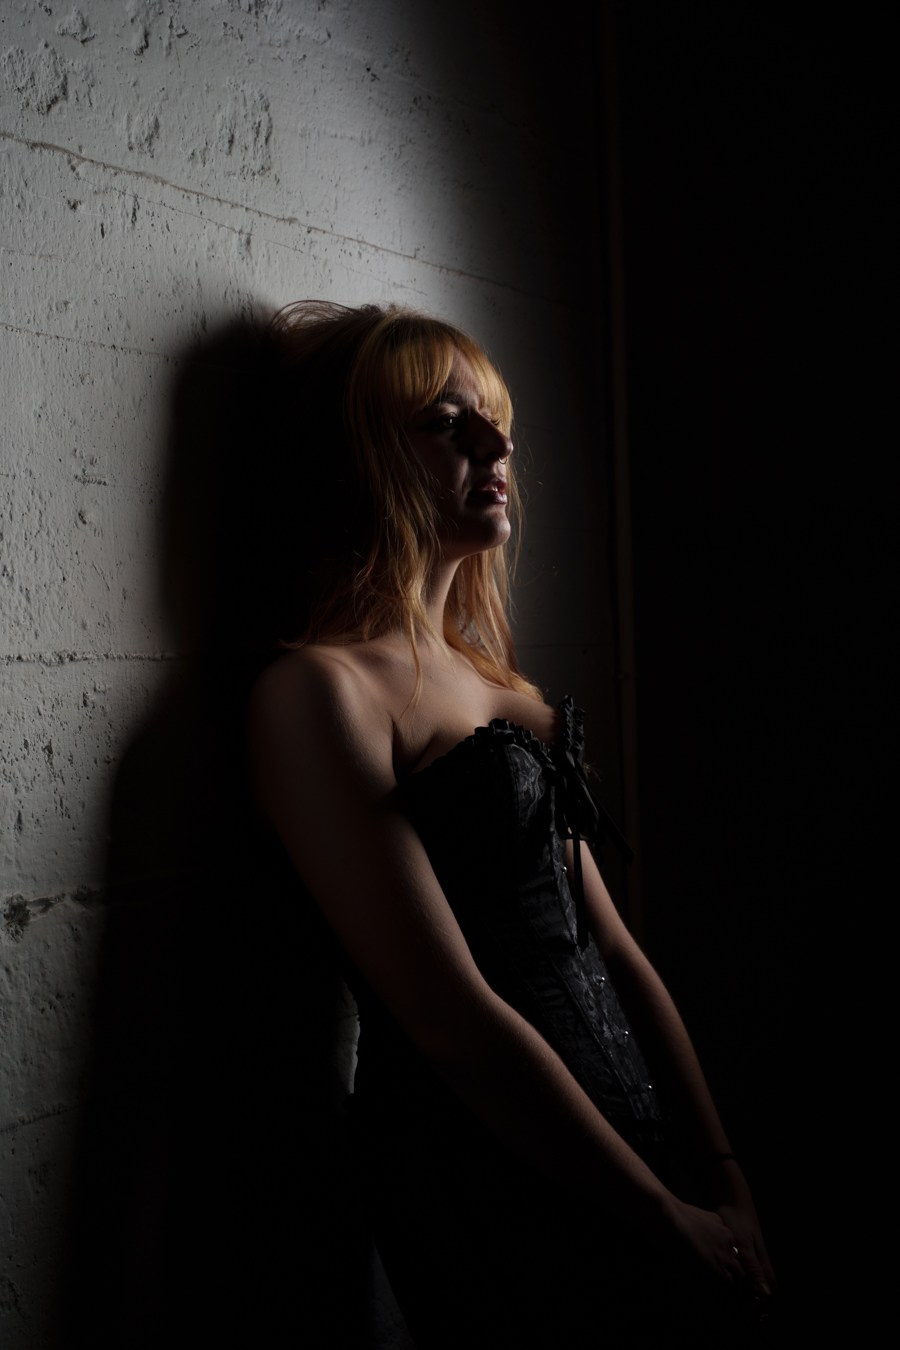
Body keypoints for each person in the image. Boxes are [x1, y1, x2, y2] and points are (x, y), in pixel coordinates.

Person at [247, 300, 776, 1348]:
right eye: (448, 424)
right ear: (364, 460)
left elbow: (613, 951)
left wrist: (722, 1176)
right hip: (487, 1173)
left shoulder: (500, 684)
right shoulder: (318, 693)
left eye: (496, 422)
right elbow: (448, 1016)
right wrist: (658, 1210)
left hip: (637, 1148)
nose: (497, 448)